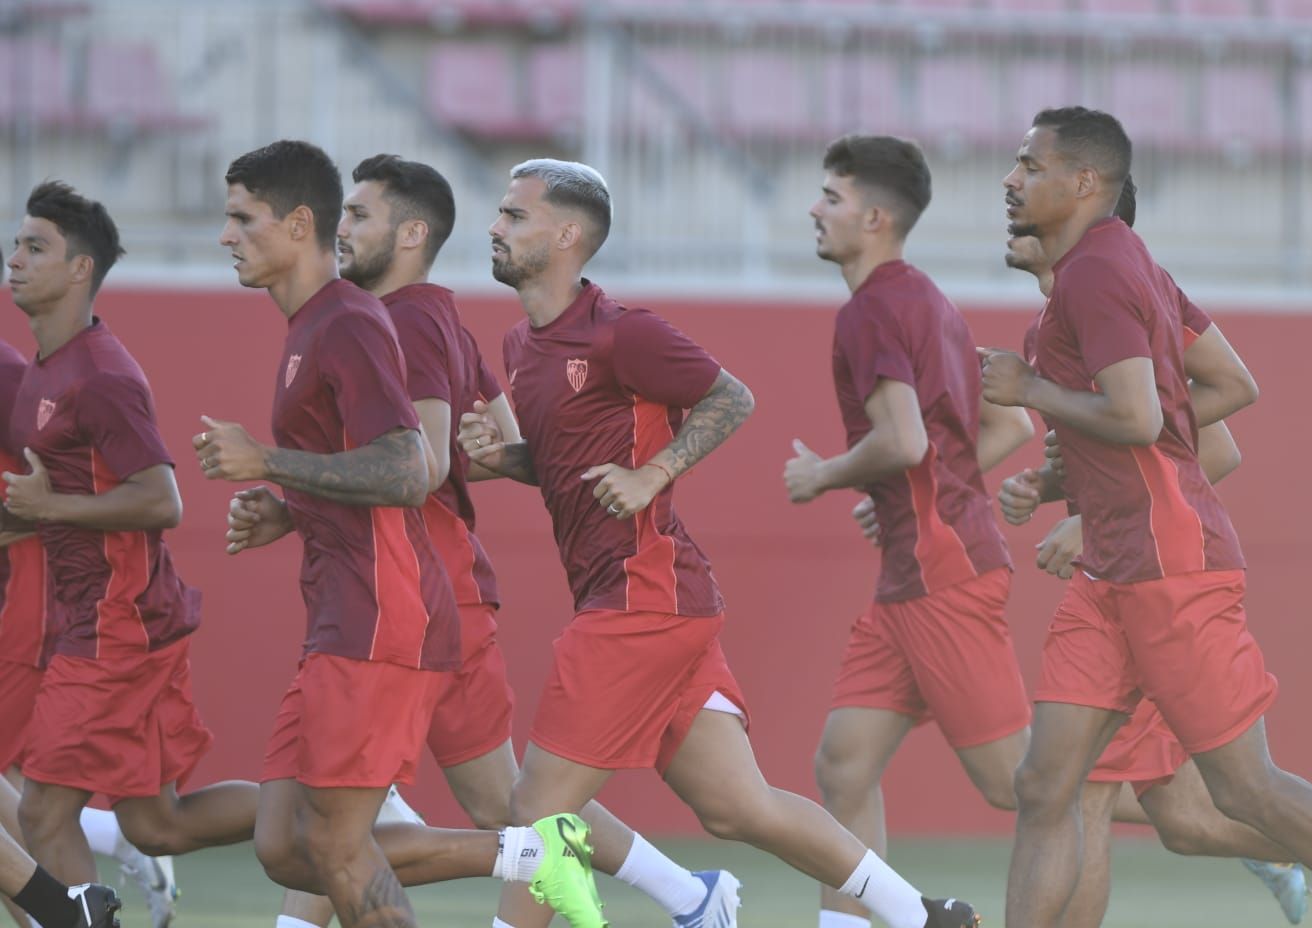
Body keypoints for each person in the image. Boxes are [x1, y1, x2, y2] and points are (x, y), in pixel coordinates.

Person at [460, 157, 978, 928]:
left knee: (536, 810)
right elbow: (570, 464)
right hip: (663, 600)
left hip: (642, 599)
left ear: (567, 235)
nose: (495, 228)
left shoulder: (621, 334)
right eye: (500, 214)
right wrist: (502, 461)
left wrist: (655, 471)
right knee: (741, 808)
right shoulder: (520, 344)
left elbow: (730, 397)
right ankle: (919, 918)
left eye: (514, 216)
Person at [274, 153, 734, 928]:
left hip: (416, 588)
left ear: (411, 232)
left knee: (416, 813)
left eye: (357, 215)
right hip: (408, 584)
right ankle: (689, 895)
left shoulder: (404, 320)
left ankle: (676, 894)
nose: (339, 229)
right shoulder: (452, 323)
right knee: (492, 803)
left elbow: (416, 468)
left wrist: (284, 478)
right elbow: (507, 451)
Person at [980, 106, 1312, 927]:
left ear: (1084, 183)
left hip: (1169, 568)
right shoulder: (1126, 268)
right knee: (1047, 786)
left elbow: (1136, 417)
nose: (1010, 178)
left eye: (1029, 164)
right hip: (1114, 569)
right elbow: (1225, 387)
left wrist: (1031, 394)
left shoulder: (1097, 276)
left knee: (1242, 791)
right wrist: (1075, 489)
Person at [204, 140, 605, 928]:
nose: (225, 236)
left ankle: (547, 851)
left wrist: (269, 460)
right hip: (341, 613)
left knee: (341, 846)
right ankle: (535, 852)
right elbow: (402, 460)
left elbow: (409, 464)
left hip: (378, 615)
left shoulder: (355, 322)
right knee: (286, 845)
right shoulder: (324, 323)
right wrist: (290, 504)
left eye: (240, 218)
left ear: (294, 225)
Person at [786, 134, 1032, 928]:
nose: (816, 210)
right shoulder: (927, 300)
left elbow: (906, 440)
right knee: (844, 767)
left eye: (832, 197)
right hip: (916, 571)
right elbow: (1009, 426)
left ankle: (1242, 820)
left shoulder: (874, 310)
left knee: (1014, 785)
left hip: (939, 574)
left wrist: (827, 473)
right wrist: (900, 489)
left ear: (877, 216)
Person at [2, 182, 259, 900]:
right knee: (156, 826)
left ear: (80, 269)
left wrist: (50, 504)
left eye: (35, 247)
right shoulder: (45, 370)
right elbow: (58, 507)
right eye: (16, 244)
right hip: (108, 619)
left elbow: (161, 499)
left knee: (45, 811)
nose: (14, 259)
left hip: (116, 624)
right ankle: (338, 811)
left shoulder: (102, 375)